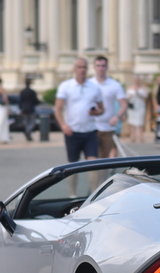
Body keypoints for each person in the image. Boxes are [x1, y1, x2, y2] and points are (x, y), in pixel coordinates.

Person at [55, 57, 104, 196]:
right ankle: (73, 194)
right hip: (72, 131)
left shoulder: (94, 87)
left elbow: (102, 109)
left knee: (93, 163)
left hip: (90, 131)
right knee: (72, 164)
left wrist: (97, 112)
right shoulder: (66, 86)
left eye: (84, 67)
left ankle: (94, 194)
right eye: (79, 67)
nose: (82, 70)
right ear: (74, 69)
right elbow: (58, 109)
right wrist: (64, 126)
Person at [89, 56, 128, 159]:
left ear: (107, 67)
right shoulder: (89, 84)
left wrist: (117, 116)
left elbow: (124, 104)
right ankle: (93, 175)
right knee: (92, 156)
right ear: (94, 67)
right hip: (91, 126)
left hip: (107, 126)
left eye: (103, 66)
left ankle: (103, 175)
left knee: (104, 157)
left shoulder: (114, 85)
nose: (100, 68)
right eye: (98, 66)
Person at [126, 75, 149, 143]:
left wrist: (138, 92)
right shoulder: (130, 88)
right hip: (132, 107)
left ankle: (141, 136)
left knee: (140, 122)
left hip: (140, 106)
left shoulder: (143, 88)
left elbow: (146, 97)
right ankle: (133, 136)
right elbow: (126, 97)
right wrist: (130, 96)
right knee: (132, 122)